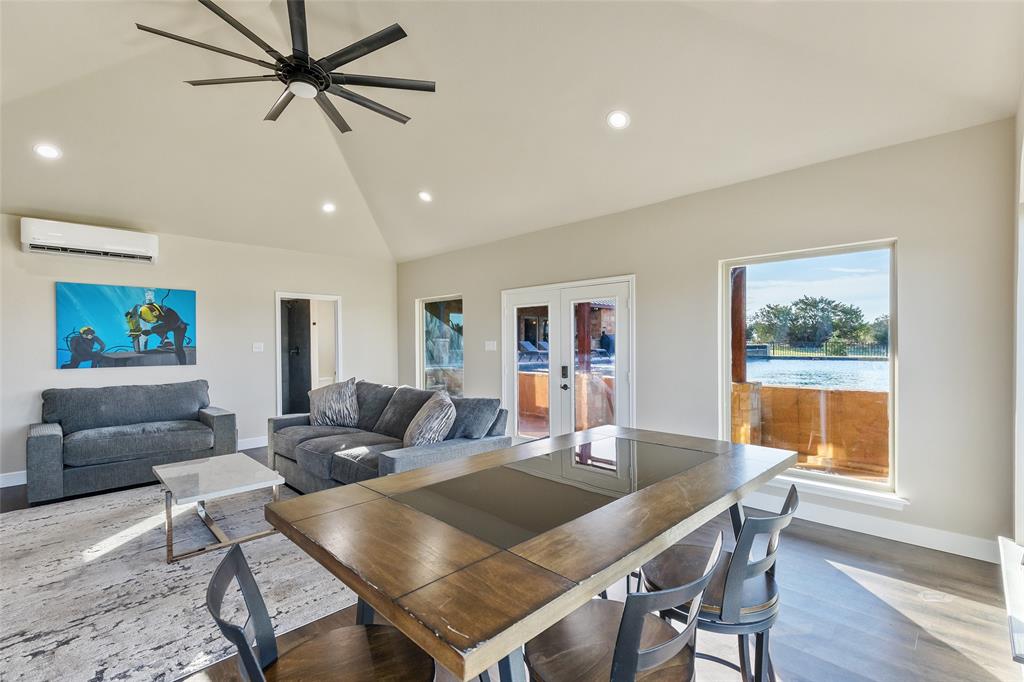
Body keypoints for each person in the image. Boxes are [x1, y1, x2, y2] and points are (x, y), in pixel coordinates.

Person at [139, 300, 189, 365]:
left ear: (155, 313)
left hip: (179, 327)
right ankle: (167, 341)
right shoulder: (154, 309)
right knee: (154, 329)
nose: (157, 318)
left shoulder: (169, 313)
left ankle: (183, 366)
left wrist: (151, 331)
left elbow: (169, 326)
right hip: (171, 324)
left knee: (179, 349)